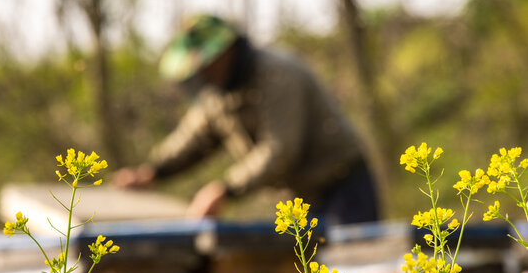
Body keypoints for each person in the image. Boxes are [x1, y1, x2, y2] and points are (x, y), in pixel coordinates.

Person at [112, 14, 379, 225]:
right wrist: (154, 171)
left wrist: (225, 189)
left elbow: (280, 150)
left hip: (342, 188)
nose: (202, 72)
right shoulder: (219, 94)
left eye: (206, 63)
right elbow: (193, 139)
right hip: (297, 199)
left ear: (226, 50)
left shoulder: (278, 75)